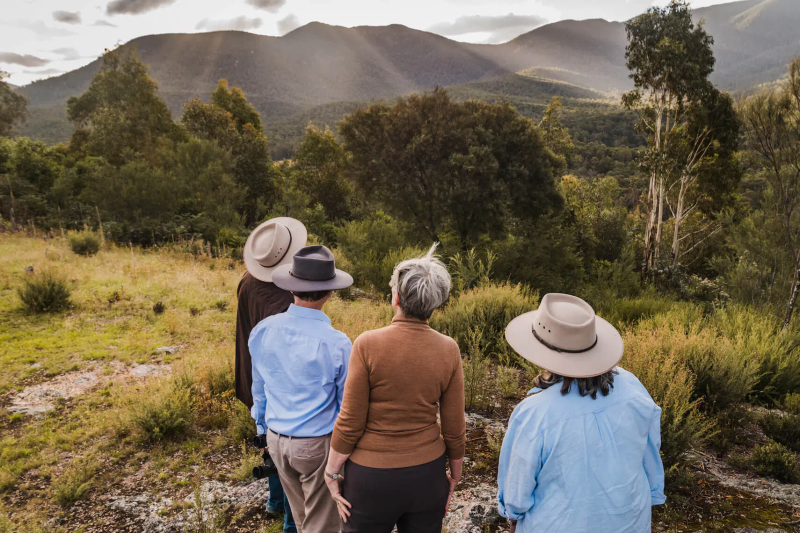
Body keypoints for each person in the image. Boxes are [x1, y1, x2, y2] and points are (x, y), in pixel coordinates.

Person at [324, 244, 466, 533]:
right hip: (427, 476)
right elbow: (454, 426)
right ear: (435, 303)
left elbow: (350, 421)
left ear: (396, 297)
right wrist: (455, 474)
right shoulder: (448, 350)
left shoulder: (367, 344)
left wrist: (331, 471)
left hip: (370, 479)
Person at [498, 293, 666, 533]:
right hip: (631, 523)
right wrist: (653, 496)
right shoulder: (632, 386)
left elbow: (516, 494)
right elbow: (650, 454)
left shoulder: (535, 413)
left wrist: (512, 517)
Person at [250, 245, 354, 533]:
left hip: (276, 439)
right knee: (322, 525)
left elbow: (259, 390)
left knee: (300, 518)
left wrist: (262, 429)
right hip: (317, 444)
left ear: (291, 287)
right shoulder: (338, 344)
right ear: (330, 292)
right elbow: (347, 405)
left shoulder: (263, 330)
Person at [238, 217, 308, 533]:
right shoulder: (286, 295)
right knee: (285, 448)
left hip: (255, 377)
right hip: (281, 385)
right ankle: (290, 521)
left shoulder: (246, 283)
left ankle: (274, 502)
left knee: (269, 441)